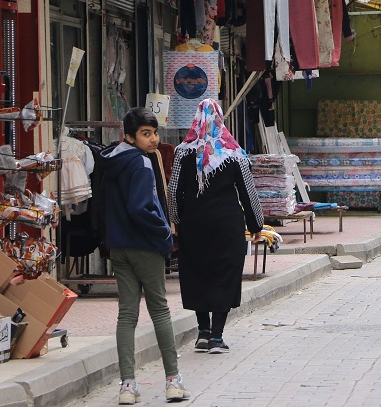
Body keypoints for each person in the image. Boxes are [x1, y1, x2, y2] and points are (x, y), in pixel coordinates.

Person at [99, 108, 190, 404]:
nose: (154, 140)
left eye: (154, 132)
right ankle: (173, 381)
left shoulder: (109, 160)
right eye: (146, 134)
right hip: (145, 246)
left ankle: (127, 385)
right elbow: (141, 207)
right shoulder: (141, 164)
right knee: (160, 311)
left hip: (119, 247)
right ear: (129, 136)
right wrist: (164, 231)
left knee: (127, 314)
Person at [168, 99, 264, 355]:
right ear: (220, 119)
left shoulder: (182, 152)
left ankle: (202, 332)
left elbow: (173, 191)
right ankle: (217, 336)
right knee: (225, 275)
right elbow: (248, 192)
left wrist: (177, 221)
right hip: (227, 226)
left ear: (196, 119)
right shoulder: (234, 153)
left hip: (194, 224)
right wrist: (257, 224)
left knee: (198, 274)